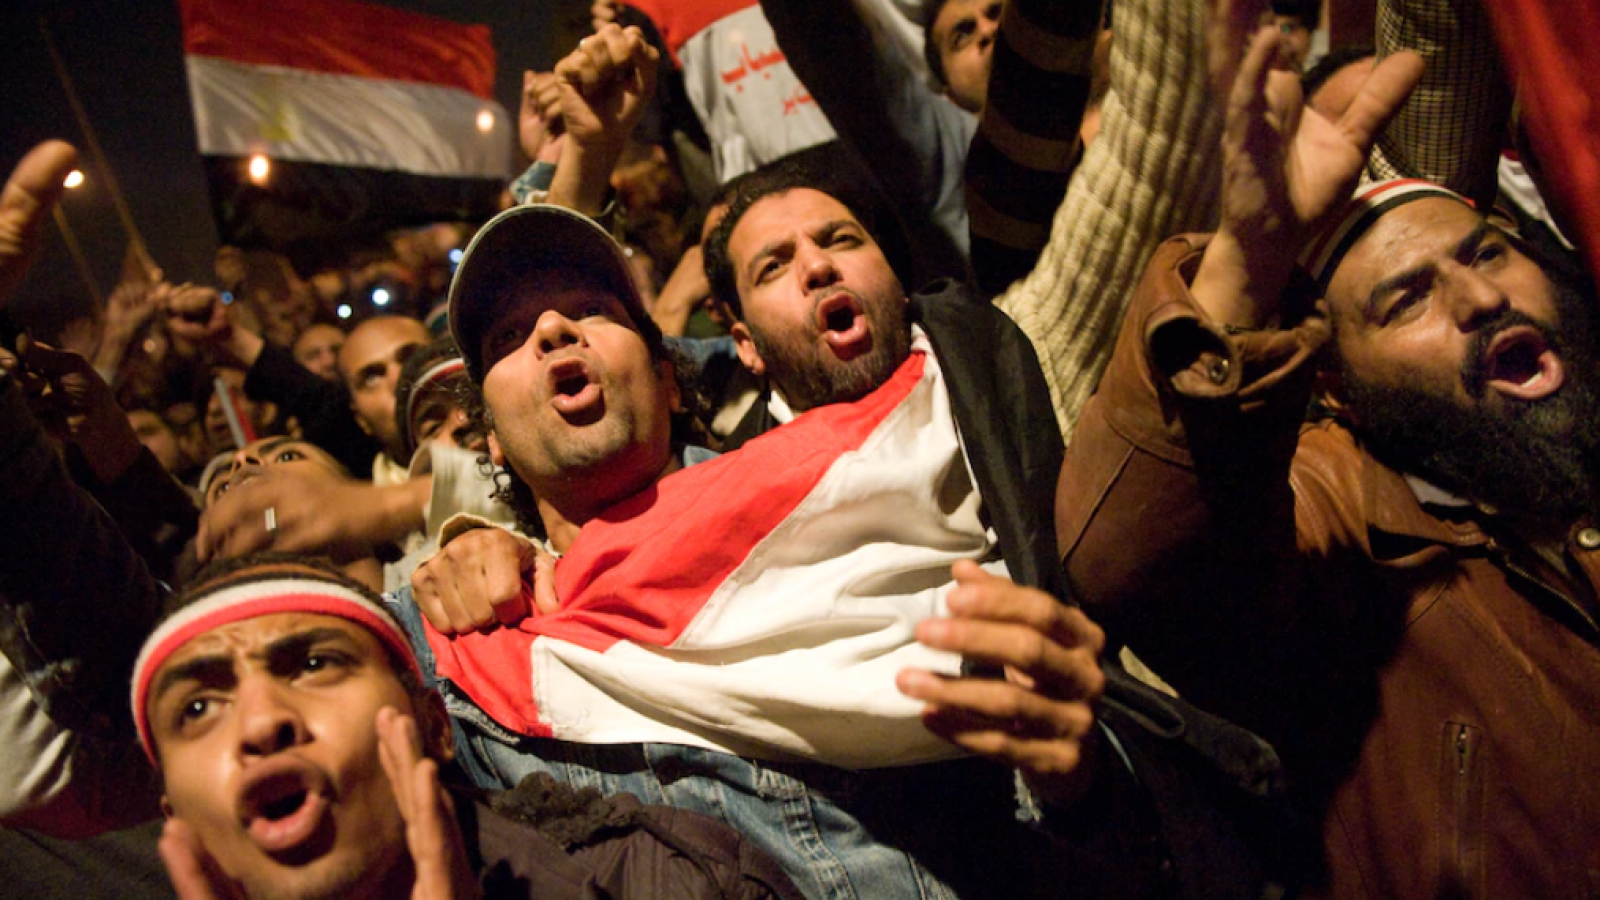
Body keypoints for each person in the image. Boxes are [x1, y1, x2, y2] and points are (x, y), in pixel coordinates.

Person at [1058, 10, 1600, 897]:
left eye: (1487, 252)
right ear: (1339, 389)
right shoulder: (1341, 522)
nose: (1478, 298)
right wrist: (1247, 261)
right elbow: (1139, 561)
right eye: (1405, 301)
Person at [134, 556, 802, 900]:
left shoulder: (664, 882)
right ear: (173, 817)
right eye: (197, 709)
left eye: (313, 664)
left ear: (433, 727)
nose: (261, 722)